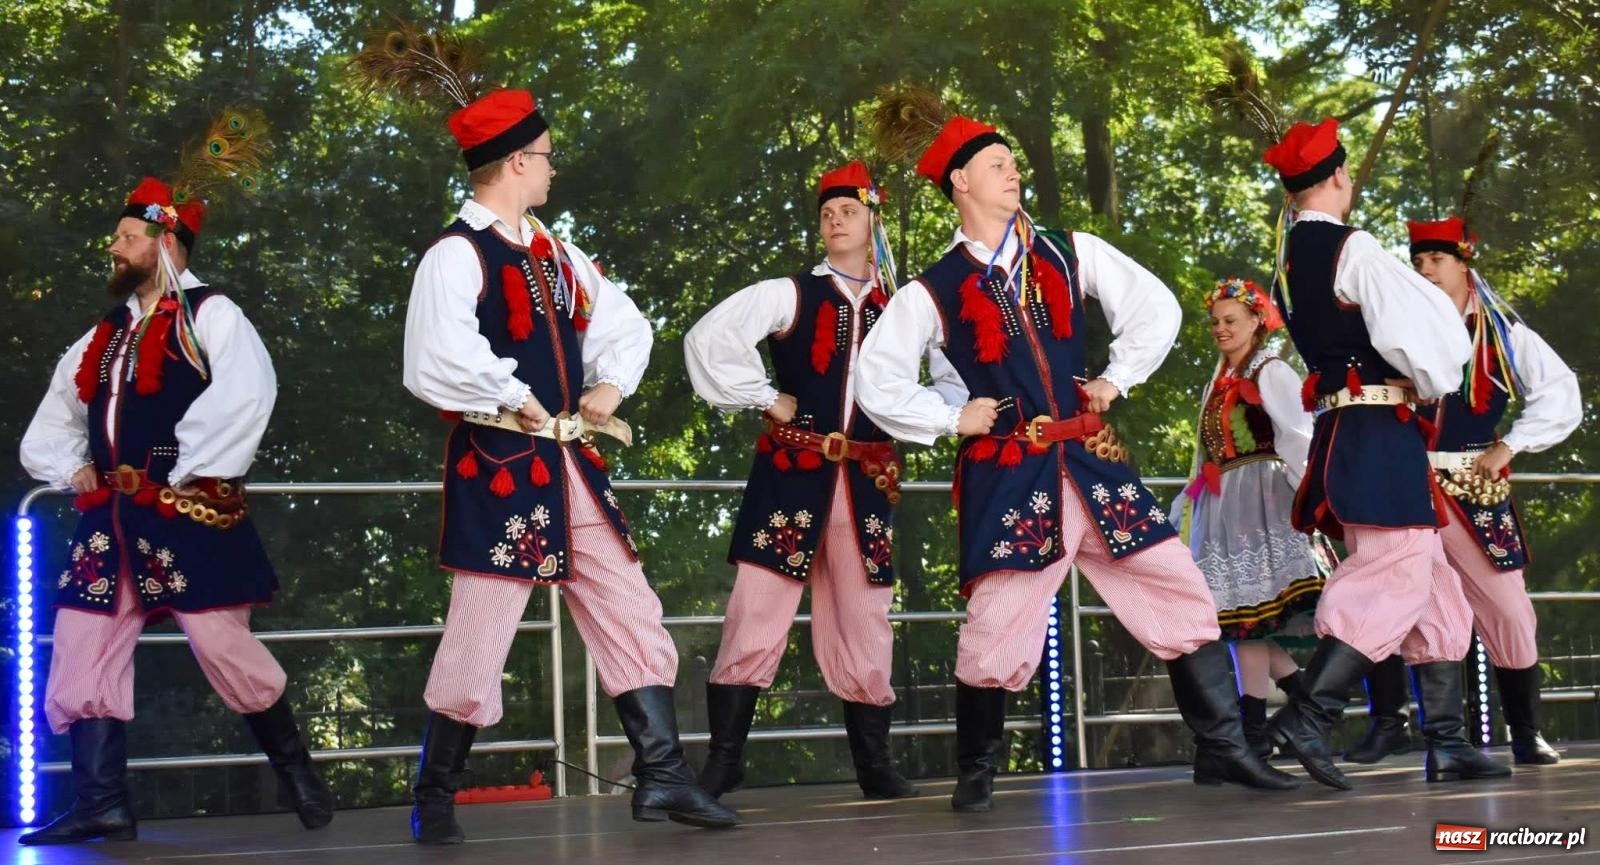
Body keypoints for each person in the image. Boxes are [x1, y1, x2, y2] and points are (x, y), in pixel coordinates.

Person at [856, 89, 1298, 813]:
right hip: (1010, 471)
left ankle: (1223, 746)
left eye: (1012, 163)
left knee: (1179, 586)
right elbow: (876, 378)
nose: (1013, 173)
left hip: (1091, 462)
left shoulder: (1069, 251)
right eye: (997, 165)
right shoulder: (933, 289)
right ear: (960, 182)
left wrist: (1115, 379)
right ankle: (978, 768)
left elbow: (1153, 306)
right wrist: (949, 417)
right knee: (999, 619)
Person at [352, 24, 738, 842]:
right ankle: (437, 791)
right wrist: (516, 394)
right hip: (499, 462)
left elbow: (623, 323)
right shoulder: (454, 255)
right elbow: (434, 359)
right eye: (548, 155)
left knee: (631, 605)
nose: (555, 167)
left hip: (565, 463)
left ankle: (662, 776)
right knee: (480, 629)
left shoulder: (558, 254)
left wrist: (606, 384)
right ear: (518, 162)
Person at [18, 111, 333, 845]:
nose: (115, 246)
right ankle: (103, 801)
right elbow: (54, 420)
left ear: (164, 242)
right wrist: (76, 469)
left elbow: (247, 392)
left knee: (223, 646)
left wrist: (186, 470)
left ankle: (297, 771)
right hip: (111, 517)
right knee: (80, 643)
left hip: (185, 509)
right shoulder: (105, 332)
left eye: (128, 236)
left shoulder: (211, 314)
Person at [684, 161, 953, 800]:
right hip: (792, 472)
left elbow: (951, 378)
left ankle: (874, 765)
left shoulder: (903, 306)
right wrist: (764, 396)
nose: (834, 221)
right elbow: (710, 338)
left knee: (866, 614)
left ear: (873, 223)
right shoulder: (792, 294)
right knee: (757, 606)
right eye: (827, 213)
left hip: (866, 479)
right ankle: (724, 760)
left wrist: (936, 418)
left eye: (848, 212)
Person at [1257, 117, 1508, 787]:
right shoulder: (1353, 247)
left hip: (1355, 431)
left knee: (1433, 586)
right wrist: (1435, 376)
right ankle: (1310, 711)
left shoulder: (1289, 257)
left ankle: (1448, 741)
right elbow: (1425, 340)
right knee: (1393, 570)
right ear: (1338, 176)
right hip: (1376, 428)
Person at [1344, 217, 1579, 767]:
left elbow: (1559, 391)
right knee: (1389, 595)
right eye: (1419, 260)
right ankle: (1392, 725)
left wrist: (1512, 445)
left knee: (1509, 608)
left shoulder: (1502, 332)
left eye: (1437, 260)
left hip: (1473, 484)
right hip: (1404, 478)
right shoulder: (1395, 325)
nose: (1425, 269)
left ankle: (1525, 729)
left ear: (1463, 262)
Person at [1175, 277, 1323, 757]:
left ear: (1257, 321)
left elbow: (1298, 436)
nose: (1220, 328)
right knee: (1242, 623)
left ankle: (1258, 733)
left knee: (1249, 623)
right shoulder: (1217, 379)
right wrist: (1183, 508)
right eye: (1215, 321)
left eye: (1230, 320)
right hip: (1224, 504)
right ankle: (1305, 709)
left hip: (1263, 500)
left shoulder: (1270, 370)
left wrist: (1310, 498)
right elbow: (1208, 458)